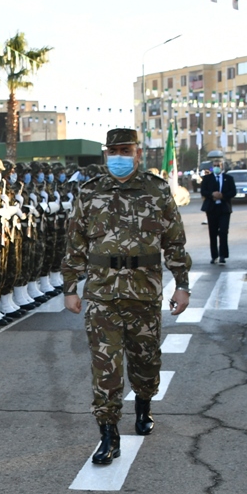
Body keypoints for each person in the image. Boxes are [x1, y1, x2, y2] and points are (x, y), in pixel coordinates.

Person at [62, 128, 192, 463]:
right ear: (107, 154)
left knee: (145, 363)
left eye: (126, 150)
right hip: (102, 296)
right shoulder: (89, 192)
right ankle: (109, 435)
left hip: (144, 294)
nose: (119, 156)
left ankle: (144, 406)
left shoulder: (157, 189)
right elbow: (75, 242)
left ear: (137, 153)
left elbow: (174, 240)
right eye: (114, 150)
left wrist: (181, 283)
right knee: (105, 369)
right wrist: (70, 287)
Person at [198, 151, 235, 265]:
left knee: (223, 232)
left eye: (218, 165)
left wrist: (223, 196)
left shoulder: (228, 178)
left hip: (224, 209)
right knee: (212, 233)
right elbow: (203, 191)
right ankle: (214, 256)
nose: (216, 167)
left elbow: (233, 191)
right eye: (214, 166)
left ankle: (223, 255)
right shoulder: (207, 179)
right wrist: (212, 195)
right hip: (212, 209)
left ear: (222, 166)